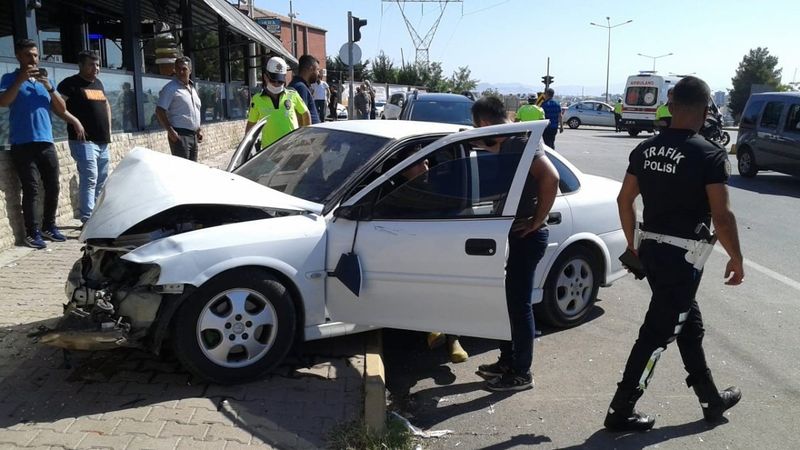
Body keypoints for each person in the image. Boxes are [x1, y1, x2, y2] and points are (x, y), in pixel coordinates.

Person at [604, 76, 744, 432]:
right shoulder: (709, 154)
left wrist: (633, 242)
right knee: (657, 335)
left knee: (688, 325)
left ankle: (711, 399)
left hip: (652, 251)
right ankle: (621, 410)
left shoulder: (646, 149)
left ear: (671, 104)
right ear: (703, 107)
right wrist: (736, 258)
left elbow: (625, 200)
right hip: (682, 259)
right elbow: (722, 217)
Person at [471, 96, 560, 392]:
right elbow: (500, 149)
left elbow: (551, 177)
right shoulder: (511, 138)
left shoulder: (521, 140)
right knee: (508, 301)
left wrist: (537, 219)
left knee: (519, 305)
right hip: (513, 232)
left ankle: (522, 373)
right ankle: (507, 361)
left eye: (478, 128)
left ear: (485, 123)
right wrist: (483, 144)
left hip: (528, 234)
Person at [0, 39, 77, 248]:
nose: (32, 59)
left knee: (53, 186)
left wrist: (50, 87)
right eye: (28, 55)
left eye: (35, 55)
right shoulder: (9, 78)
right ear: (18, 56)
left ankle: (49, 227)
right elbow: (3, 102)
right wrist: (20, 80)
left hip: (46, 142)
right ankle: (32, 233)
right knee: (31, 188)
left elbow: (61, 108)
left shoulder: (45, 82)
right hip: (23, 143)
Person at [57, 50, 111, 225]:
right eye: (91, 64)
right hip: (83, 141)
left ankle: (96, 215)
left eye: (97, 64)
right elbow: (57, 107)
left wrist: (109, 129)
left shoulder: (98, 83)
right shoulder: (69, 84)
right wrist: (75, 121)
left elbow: (106, 104)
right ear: (81, 65)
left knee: (101, 180)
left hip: (102, 140)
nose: (96, 68)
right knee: (90, 178)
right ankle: (87, 219)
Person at [245, 56, 310, 149]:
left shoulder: (293, 95)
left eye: (280, 81)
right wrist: (247, 147)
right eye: (273, 80)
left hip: (291, 148)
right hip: (268, 151)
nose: (276, 84)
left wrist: (306, 135)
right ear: (265, 77)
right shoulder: (257, 99)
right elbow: (251, 124)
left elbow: (305, 113)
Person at [156, 56, 203, 161]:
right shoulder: (170, 88)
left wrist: (199, 129)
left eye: (184, 69)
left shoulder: (193, 89)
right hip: (180, 136)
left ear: (190, 70)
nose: (181, 71)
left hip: (193, 136)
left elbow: (194, 111)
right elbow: (159, 110)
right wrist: (171, 131)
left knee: (193, 169)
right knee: (183, 171)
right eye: (178, 69)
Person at [289, 54, 320, 124]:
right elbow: (301, 116)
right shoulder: (300, 87)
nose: (318, 73)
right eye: (317, 70)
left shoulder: (298, 85)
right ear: (311, 69)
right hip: (309, 133)